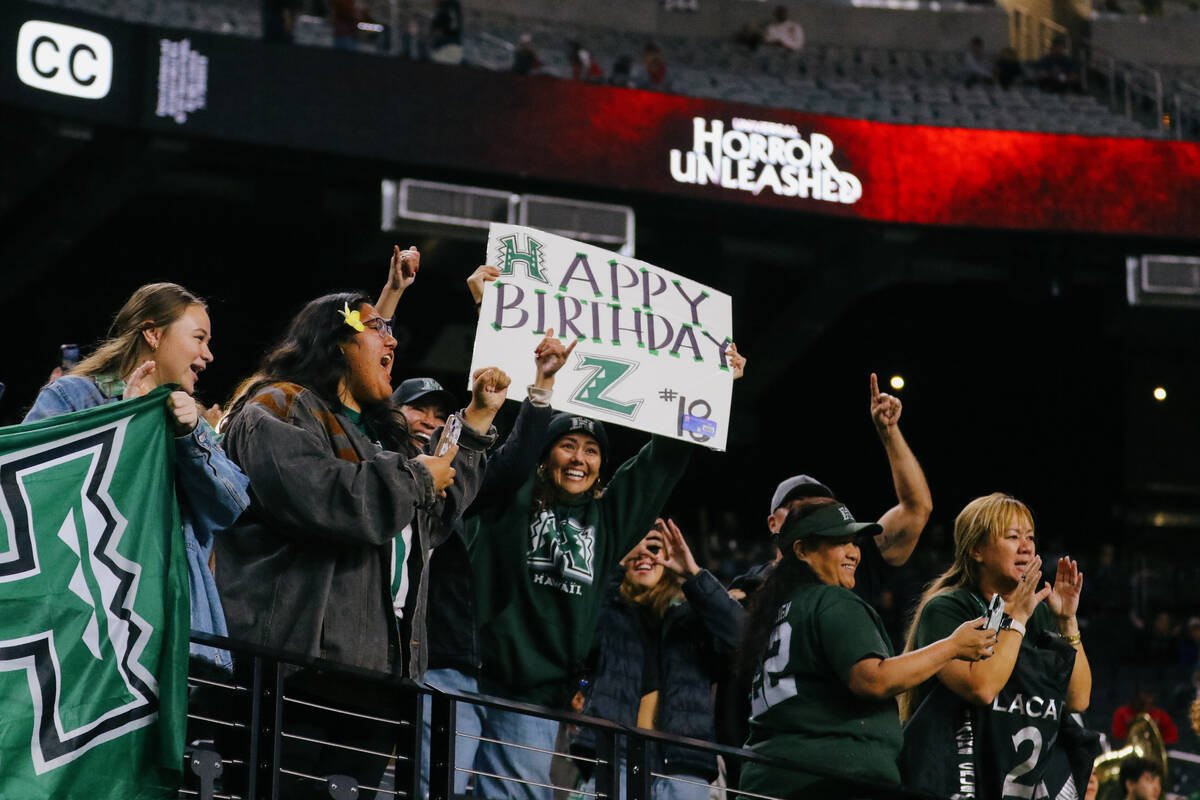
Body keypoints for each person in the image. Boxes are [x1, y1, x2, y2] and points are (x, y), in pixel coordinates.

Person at [215, 291, 508, 796]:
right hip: (294, 673)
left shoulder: (382, 437)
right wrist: (415, 479)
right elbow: (319, 494)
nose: (391, 337)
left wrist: (478, 420)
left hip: (379, 678)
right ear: (336, 341)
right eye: (377, 327)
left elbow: (431, 518)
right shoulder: (278, 405)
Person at [467, 346, 746, 799]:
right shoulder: (511, 499)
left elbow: (661, 460)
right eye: (567, 445)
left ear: (601, 468)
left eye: (592, 450)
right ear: (544, 457)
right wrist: (541, 387)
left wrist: (713, 388)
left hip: (535, 697)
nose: (579, 458)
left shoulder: (610, 522)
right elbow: (514, 455)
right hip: (471, 673)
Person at [716, 372, 932, 784]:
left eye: (821, 508)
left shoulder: (848, 562)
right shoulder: (751, 586)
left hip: (804, 762)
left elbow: (916, 508)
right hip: (798, 761)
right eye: (797, 509)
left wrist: (889, 433)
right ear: (774, 524)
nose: (811, 516)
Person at [24, 282, 249, 674]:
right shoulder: (74, 398)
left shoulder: (190, 424)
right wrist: (121, 426)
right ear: (153, 334)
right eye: (198, 338)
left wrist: (190, 436)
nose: (208, 355)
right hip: (85, 634)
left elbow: (230, 507)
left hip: (176, 638)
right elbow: (27, 495)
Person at [737, 502, 996, 799]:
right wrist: (952, 646)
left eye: (853, 542)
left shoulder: (774, 614)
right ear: (802, 550)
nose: (853, 552)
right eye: (838, 542)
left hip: (766, 780)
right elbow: (873, 679)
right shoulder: (831, 600)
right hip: (830, 782)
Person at [899, 493, 1093, 799]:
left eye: (1029, 537)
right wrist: (1016, 618)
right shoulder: (948, 608)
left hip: (1010, 781)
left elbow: (1078, 699)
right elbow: (982, 688)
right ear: (977, 550)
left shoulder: (1038, 610)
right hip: (955, 782)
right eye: (1012, 536)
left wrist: (1068, 621)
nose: (1027, 546)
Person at [569, 520, 745, 799]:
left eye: (653, 547)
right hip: (615, 761)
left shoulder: (693, 619)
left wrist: (693, 575)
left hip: (684, 766)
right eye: (635, 547)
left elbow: (743, 638)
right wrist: (615, 562)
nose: (644, 555)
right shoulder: (609, 615)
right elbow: (577, 639)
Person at [1113, 688, 1179, 745]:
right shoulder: (1122, 713)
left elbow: (1172, 738)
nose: (1144, 700)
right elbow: (1118, 738)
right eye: (1140, 699)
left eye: (1148, 697)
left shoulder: (1160, 715)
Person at [430, 0, 463, 64]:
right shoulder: (455, 7)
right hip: (457, 49)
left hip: (444, 50)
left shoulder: (442, 11)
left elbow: (436, 32)